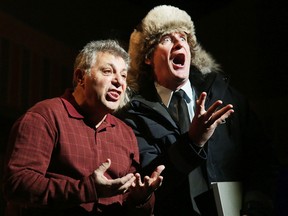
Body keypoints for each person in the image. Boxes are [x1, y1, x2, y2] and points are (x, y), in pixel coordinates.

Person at [116, 5, 277, 216]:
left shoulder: (224, 96)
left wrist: (256, 205)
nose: (178, 43)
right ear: (148, 57)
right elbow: (146, 180)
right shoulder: (135, 116)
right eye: (166, 39)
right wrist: (193, 143)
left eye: (183, 37)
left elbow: (262, 157)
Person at [2, 39, 165, 216]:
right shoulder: (45, 116)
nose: (119, 81)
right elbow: (17, 185)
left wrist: (142, 198)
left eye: (124, 75)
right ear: (80, 77)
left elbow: (131, 205)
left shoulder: (126, 134)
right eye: (108, 71)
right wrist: (87, 189)